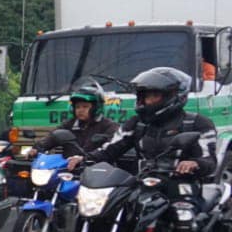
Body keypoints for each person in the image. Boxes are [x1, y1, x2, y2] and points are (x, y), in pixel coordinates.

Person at [79, 67, 218, 177]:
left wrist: (195, 163)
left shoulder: (197, 123)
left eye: (155, 96)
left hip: (182, 187)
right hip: (143, 185)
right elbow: (110, 149)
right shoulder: (136, 123)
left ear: (174, 96)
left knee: (184, 213)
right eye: (145, 96)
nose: (148, 101)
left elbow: (209, 160)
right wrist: (82, 159)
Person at [34, 80, 117, 156]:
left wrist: (90, 156)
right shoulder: (70, 124)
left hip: (97, 166)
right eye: (77, 107)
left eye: (85, 107)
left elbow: (111, 147)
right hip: (71, 166)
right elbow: (53, 136)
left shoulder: (108, 125)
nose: (80, 110)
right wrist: (37, 148)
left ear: (97, 107)